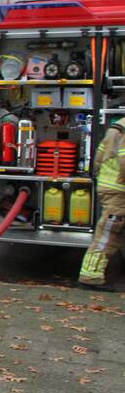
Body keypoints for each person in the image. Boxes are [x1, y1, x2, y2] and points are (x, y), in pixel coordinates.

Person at [77, 117, 124, 292]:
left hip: (108, 186)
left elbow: (98, 157)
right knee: (109, 231)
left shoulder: (117, 127)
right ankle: (90, 276)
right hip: (119, 189)